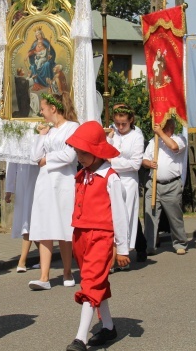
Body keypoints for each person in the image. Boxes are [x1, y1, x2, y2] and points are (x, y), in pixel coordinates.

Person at [64, 121, 130, 351]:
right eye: (77, 152)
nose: (79, 157)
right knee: (94, 282)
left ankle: (80, 338)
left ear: (97, 152)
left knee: (90, 283)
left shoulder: (110, 177)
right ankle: (109, 327)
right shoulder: (82, 175)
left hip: (101, 237)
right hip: (81, 235)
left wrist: (122, 248)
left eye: (84, 152)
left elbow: (121, 215)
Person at [28, 92, 79, 290]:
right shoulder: (47, 131)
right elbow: (35, 156)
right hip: (45, 182)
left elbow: (69, 155)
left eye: (43, 109)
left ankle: (67, 271)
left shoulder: (73, 128)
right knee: (44, 227)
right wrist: (40, 136)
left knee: (64, 227)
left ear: (53, 108)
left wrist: (47, 159)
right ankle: (44, 276)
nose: (41, 113)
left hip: (64, 183)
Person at [142, 118, 189, 255]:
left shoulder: (179, 139)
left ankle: (180, 243)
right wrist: (148, 164)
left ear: (172, 127)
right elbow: (144, 159)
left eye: (167, 127)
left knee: (175, 216)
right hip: (154, 184)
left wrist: (160, 134)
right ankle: (149, 245)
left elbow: (174, 147)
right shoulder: (153, 142)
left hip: (172, 185)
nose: (164, 128)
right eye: (163, 126)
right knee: (150, 215)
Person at [107, 104, 144, 267]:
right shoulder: (112, 132)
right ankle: (110, 254)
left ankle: (124, 253)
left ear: (131, 120)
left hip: (128, 181)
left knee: (126, 215)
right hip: (111, 179)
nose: (120, 127)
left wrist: (112, 162)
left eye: (124, 124)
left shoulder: (137, 136)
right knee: (110, 216)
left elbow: (135, 164)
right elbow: (104, 151)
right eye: (117, 123)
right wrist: (109, 137)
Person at [5, 161, 39, 272]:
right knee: (27, 218)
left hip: (38, 176)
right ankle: (44, 256)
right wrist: (9, 189)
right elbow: (11, 162)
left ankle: (22, 260)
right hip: (22, 180)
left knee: (30, 219)